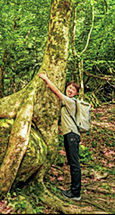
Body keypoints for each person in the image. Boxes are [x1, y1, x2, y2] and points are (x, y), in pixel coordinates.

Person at [38, 72, 81, 201]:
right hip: (70, 134)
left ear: (76, 93)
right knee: (72, 163)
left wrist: (46, 78)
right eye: (69, 87)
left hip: (72, 135)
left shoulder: (70, 101)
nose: (70, 90)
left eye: (73, 89)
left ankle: (76, 193)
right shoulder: (68, 102)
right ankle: (74, 190)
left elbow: (56, 91)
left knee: (74, 164)